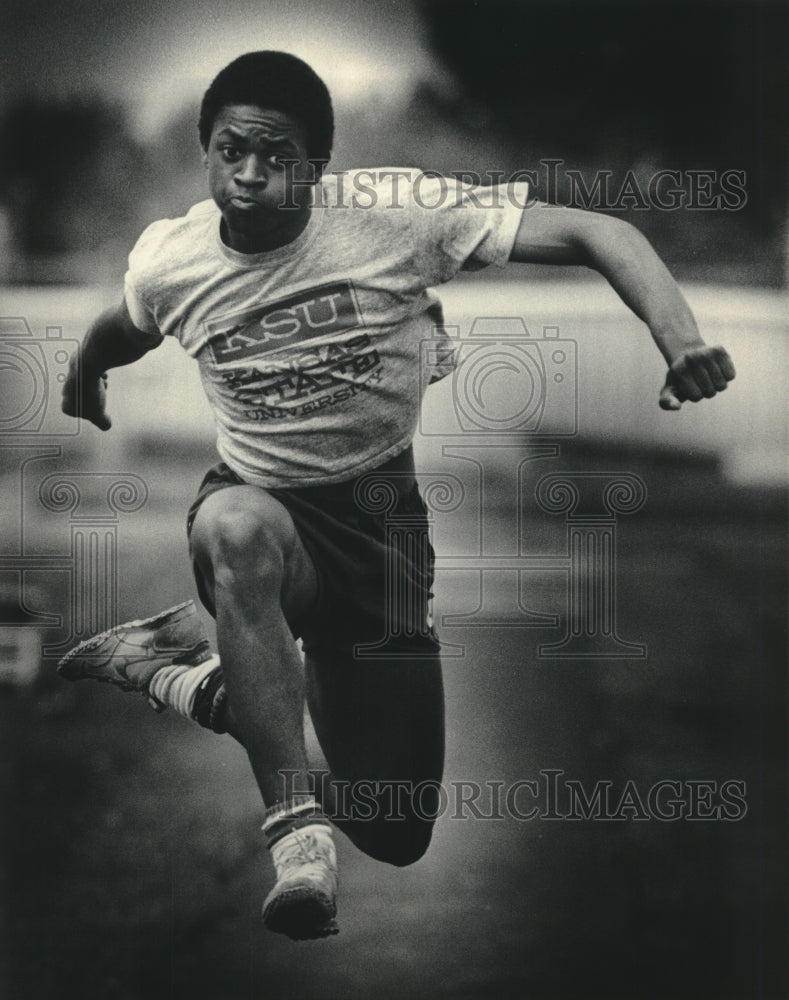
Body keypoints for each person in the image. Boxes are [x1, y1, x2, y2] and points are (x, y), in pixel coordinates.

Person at [58, 50, 735, 941]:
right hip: (263, 507)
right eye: (230, 151)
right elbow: (123, 325)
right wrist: (81, 371)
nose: (251, 175)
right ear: (206, 152)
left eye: (278, 155)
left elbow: (593, 231)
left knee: (393, 824)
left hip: (378, 530)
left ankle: (200, 684)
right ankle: (294, 836)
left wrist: (677, 337)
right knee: (234, 531)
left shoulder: (393, 216)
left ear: (318, 164)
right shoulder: (170, 261)